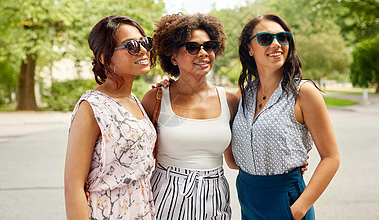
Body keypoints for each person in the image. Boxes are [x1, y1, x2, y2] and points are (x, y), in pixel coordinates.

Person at [232, 14, 340, 220]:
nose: (276, 44)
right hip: (248, 199)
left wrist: (298, 210)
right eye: (265, 39)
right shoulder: (244, 93)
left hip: (288, 204)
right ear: (249, 49)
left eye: (283, 37)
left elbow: (331, 158)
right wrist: (170, 88)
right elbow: (233, 159)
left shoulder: (304, 93)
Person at [141, 13, 239, 220]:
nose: (203, 53)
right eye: (192, 47)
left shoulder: (229, 100)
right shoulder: (155, 98)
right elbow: (135, 153)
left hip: (215, 196)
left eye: (209, 46)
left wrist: (285, 164)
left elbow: (234, 160)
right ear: (173, 56)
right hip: (166, 196)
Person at [64, 16, 157, 219]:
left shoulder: (134, 100)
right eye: (131, 45)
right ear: (105, 58)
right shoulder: (92, 107)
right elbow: (73, 186)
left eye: (145, 42)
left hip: (141, 209)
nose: (143, 50)